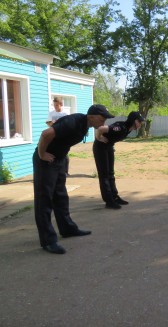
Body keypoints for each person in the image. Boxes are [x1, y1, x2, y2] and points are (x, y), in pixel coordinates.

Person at [33, 104, 114, 254]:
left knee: (61, 197)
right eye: (102, 119)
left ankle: (67, 228)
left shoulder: (85, 125)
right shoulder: (73, 122)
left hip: (59, 160)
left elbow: (63, 141)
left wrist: (63, 160)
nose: (104, 123)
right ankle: (48, 240)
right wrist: (42, 154)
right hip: (46, 161)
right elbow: (46, 134)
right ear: (91, 116)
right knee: (44, 200)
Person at [93, 111, 145, 209]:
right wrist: (98, 138)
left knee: (111, 173)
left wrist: (110, 144)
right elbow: (100, 128)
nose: (141, 124)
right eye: (139, 121)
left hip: (108, 147)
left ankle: (114, 197)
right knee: (104, 175)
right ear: (134, 121)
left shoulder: (128, 128)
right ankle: (109, 201)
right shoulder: (120, 128)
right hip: (100, 148)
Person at [46, 96, 70, 175]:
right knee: (55, 152)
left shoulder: (65, 113)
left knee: (65, 153)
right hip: (54, 135)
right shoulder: (51, 113)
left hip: (63, 135)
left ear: (61, 104)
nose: (55, 107)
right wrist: (52, 123)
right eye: (54, 105)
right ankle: (55, 170)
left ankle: (65, 171)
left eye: (56, 105)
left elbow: (68, 124)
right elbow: (48, 123)